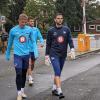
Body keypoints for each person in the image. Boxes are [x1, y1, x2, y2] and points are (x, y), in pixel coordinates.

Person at [5, 13, 38, 100]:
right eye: (22, 22)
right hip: (17, 55)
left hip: (26, 55)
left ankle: (22, 91)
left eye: (25, 22)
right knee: (18, 73)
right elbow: (10, 43)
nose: (23, 24)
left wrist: (36, 51)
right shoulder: (13, 30)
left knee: (23, 74)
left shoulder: (29, 30)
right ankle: (19, 93)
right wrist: (7, 53)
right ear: (18, 21)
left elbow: (34, 41)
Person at [45, 13, 75, 99]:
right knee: (57, 71)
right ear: (55, 20)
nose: (60, 20)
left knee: (58, 72)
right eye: (58, 18)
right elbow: (48, 44)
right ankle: (60, 91)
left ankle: (54, 88)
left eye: (61, 18)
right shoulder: (51, 31)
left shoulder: (67, 29)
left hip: (63, 54)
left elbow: (70, 40)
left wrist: (72, 49)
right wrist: (47, 55)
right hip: (54, 54)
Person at [27, 16, 44, 86]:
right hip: (27, 49)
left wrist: (42, 42)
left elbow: (40, 37)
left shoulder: (36, 29)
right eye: (31, 21)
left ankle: (30, 73)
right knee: (29, 63)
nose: (32, 22)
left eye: (33, 21)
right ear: (28, 22)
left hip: (34, 49)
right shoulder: (26, 29)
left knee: (33, 63)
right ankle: (30, 78)